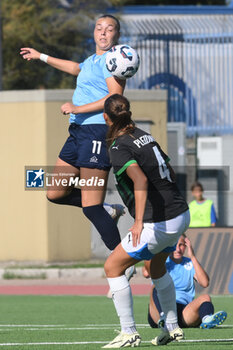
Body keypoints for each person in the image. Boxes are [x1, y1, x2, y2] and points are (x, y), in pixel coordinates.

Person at [20, 15, 126, 252]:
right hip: (77, 132)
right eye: (99, 28)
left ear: (117, 35)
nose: (103, 33)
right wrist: (41, 56)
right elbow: (76, 68)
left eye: (109, 29)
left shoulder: (114, 61)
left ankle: (122, 261)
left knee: (91, 207)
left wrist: (77, 108)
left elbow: (115, 97)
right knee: (55, 192)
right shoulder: (93, 60)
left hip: (97, 131)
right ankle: (108, 209)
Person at [102, 94, 190, 348]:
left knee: (113, 267)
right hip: (180, 213)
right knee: (157, 268)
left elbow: (140, 180)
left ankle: (128, 332)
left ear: (106, 118)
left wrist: (139, 221)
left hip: (158, 222)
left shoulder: (118, 147)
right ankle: (172, 327)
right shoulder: (144, 135)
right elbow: (169, 168)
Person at [145, 234, 227, 330]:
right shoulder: (163, 261)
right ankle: (164, 318)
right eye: (175, 245)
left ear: (186, 246)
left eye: (181, 245)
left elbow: (205, 283)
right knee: (155, 287)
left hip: (183, 311)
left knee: (206, 297)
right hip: (160, 310)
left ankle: (207, 319)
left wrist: (192, 256)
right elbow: (146, 272)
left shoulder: (189, 263)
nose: (178, 249)